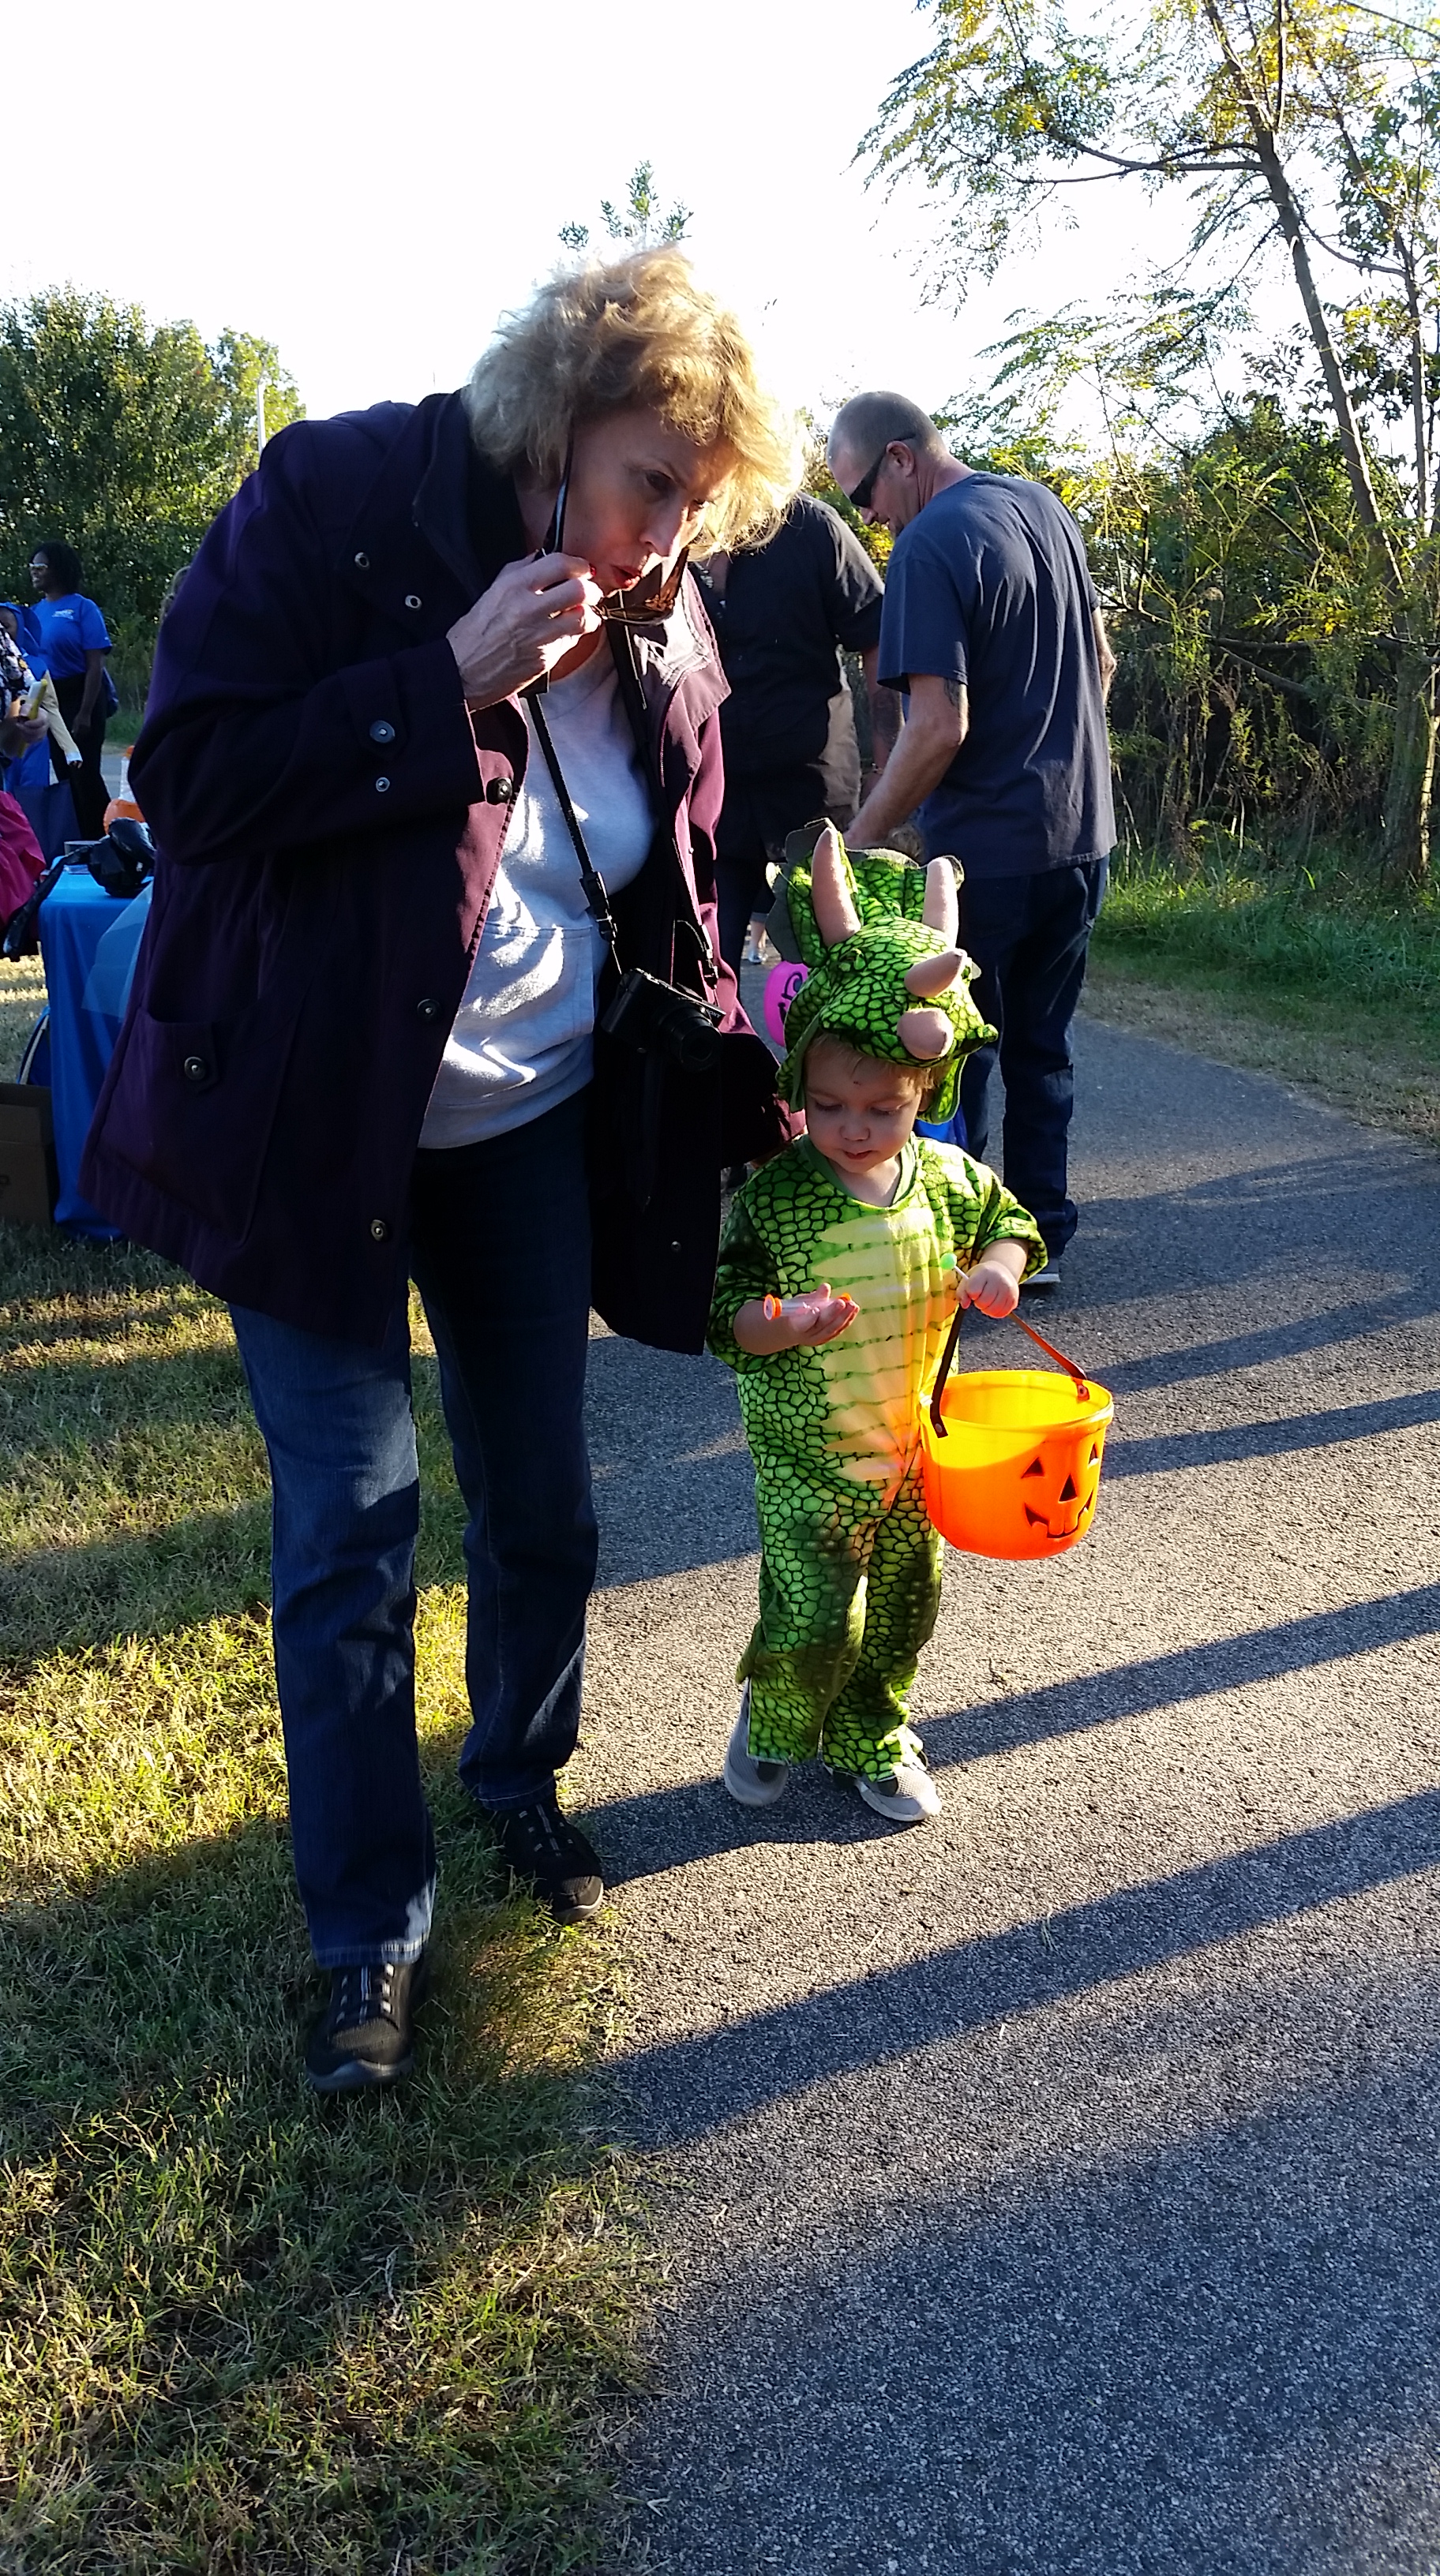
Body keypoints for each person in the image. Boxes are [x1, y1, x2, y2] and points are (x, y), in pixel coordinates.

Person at [81, 249, 798, 2093]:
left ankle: (515, 1777)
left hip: (523, 1121)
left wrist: (747, 1063)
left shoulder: (667, 617)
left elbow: (683, 877)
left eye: (701, 508)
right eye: (651, 483)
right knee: (352, 1529)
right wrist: (446, 676)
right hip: (309, 1119)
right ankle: (366, 1939)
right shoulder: (336, 500)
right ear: (556, 424)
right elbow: (189, 780)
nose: (669, 539)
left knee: (543, 1503)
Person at [707, 827, 1044, 1825]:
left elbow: (1011, 1224)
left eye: (882, 1109)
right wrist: (785, 1322)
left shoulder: (947, 1182)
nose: (854, 1129)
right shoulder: (777, 1199)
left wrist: (997, 1271)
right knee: (817, 1616)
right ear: (799, 1090)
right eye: (828, 1105)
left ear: (925, 1093)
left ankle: (873, 1734)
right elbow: (725, 1316)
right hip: (810, 1463)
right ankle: (776, 1715)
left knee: (900, 1615)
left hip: (913, 1458)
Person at [827, 394, 1116, 1288]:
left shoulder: (927, 544)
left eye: (864, 494)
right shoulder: (1042, 506)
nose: (868, 518)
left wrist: (856, 842)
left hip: (985, 854)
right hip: (1082, 838)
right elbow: (1102, 662)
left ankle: (955, 1245)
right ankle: (1034, 1240)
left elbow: (936, 726)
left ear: (901, 457)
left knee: (950, 1056)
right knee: (1042, 1046)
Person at [691, 490, 896, 973]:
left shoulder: (812, 527)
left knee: (833, 967)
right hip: (713, 794)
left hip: (814, 792)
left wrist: (888, 768)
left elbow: (878, 637)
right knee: (703, 966)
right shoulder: (671, 528)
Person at [25, 541, 113, 837]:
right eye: (32, 567)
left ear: (59, 570)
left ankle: (105, 837)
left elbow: (95, 666)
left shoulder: (83, 608)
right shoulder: (34, 613)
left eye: (41, 566)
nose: (34, 572)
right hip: (49, 698)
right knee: (64, 775)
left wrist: (85, 713)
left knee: (83, 773)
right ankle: (76, 839)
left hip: (82, 696)